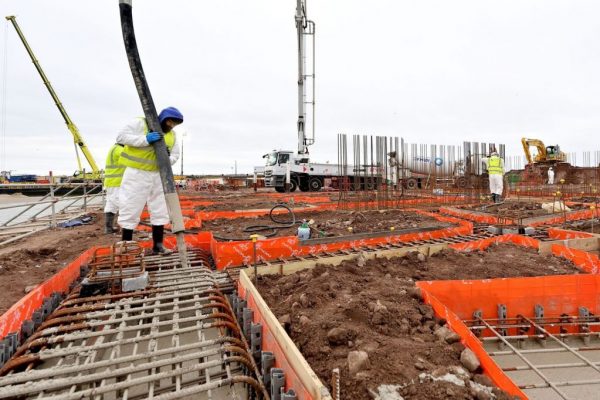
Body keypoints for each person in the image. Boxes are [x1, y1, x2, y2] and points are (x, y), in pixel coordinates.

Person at [116, 107, 183, 254]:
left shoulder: (172, 135)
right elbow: (121, 137)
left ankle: (158, 245)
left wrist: (167, 158)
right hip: (137, 173)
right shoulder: (141, 124)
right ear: (163, 118)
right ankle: (126, 245)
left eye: (175, 124)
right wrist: (145, 139)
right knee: (131, 206)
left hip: (158, 175)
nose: (171, 126)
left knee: (160, 209)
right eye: (170, 122)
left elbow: (175, 156)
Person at [103, 142, 126, 234]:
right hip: (116, 182)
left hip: (111, 182)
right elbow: (132, 161)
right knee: (123, 204)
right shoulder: (119, 150)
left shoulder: (114, 148)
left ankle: (108, 229)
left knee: (111, 205)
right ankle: (125, 228)